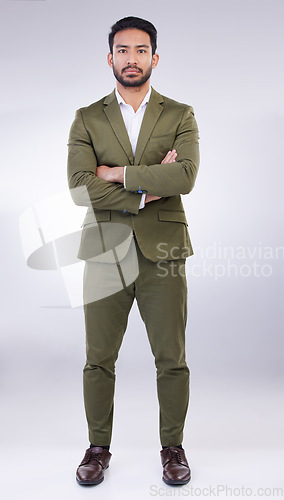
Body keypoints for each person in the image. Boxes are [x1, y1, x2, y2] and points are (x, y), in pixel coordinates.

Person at [67, 16, 200, 487]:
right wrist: (147, 186)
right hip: (104, 250)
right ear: (110, 58)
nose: (131, 59)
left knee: (172, 357)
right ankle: (98, 447)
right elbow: (81, 190)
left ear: (154, 58)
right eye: (122, 50)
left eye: (141, 50)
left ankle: (173, 448)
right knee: (98, 357)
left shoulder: (180, 114)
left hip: (163, 250)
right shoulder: (87, 118)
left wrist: (115, 173)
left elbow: (184, 177)